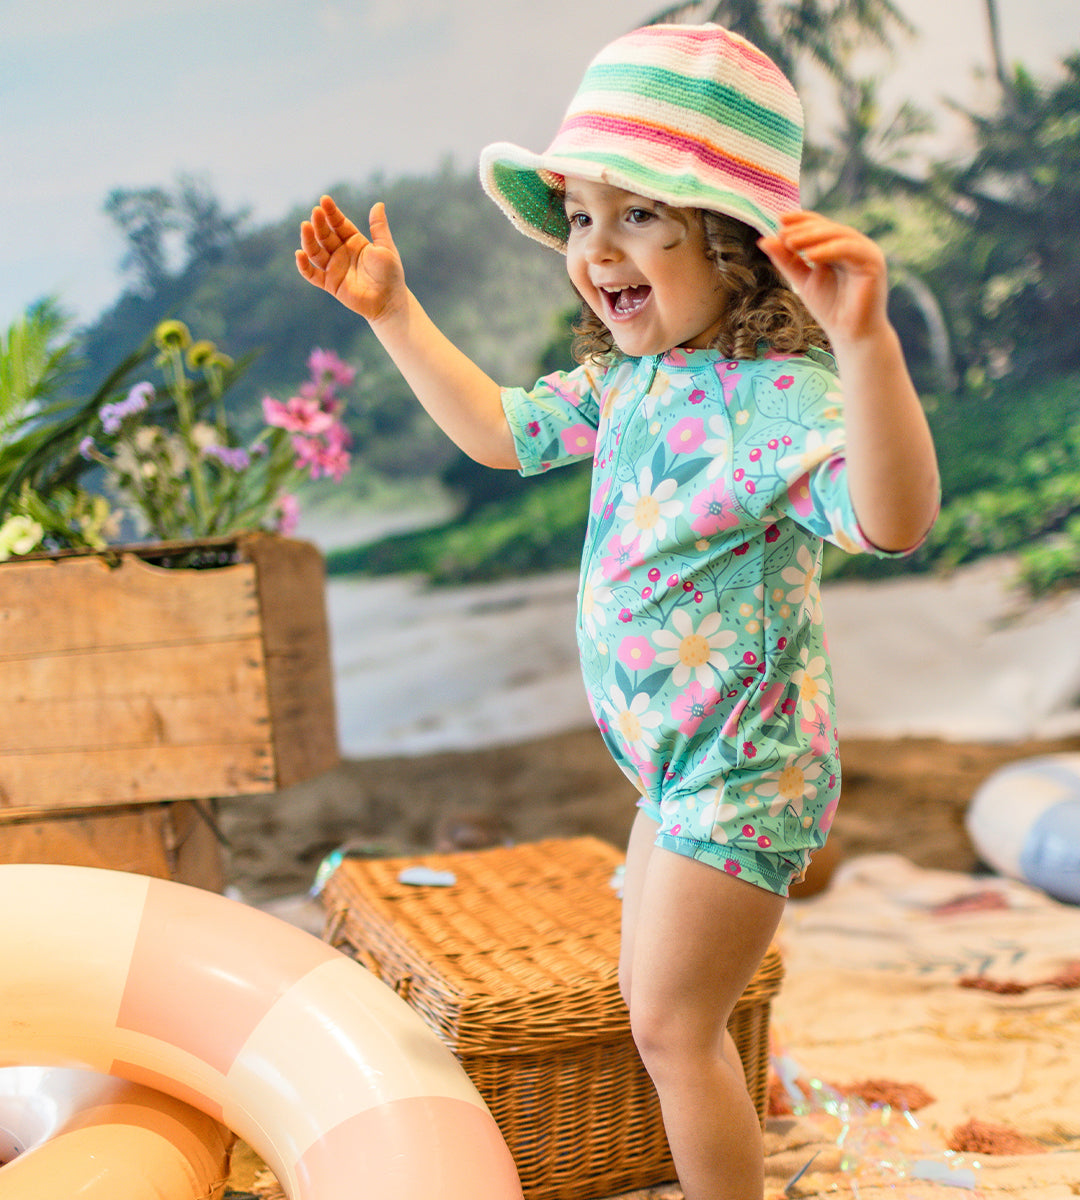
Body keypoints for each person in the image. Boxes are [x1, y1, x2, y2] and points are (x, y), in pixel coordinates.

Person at [296, 22, 939, 1200]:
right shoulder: (633, 379)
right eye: (583, 217)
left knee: (672, 1028)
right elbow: (500, 431)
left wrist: (867, 346)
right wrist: (391, 313)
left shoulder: (780, 397)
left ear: (737, 241)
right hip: (670, 770)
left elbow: (891, 519)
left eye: (640, 214)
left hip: (741, 774)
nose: (597, 248)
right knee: (656, 1003)